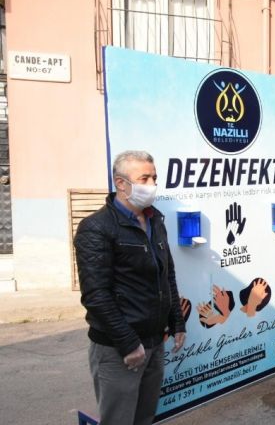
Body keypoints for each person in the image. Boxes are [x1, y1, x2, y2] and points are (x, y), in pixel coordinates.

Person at [74, 150, 186, 425]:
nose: (152, 184)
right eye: (144, 178)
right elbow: (96, 295)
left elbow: (167, 275)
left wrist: (177, 321)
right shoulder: (96, 227)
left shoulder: (155, 221)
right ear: (121, 183)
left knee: (144, 417)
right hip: (119, 348)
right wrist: (128, 343)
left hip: (154, 341)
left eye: (154, 177)